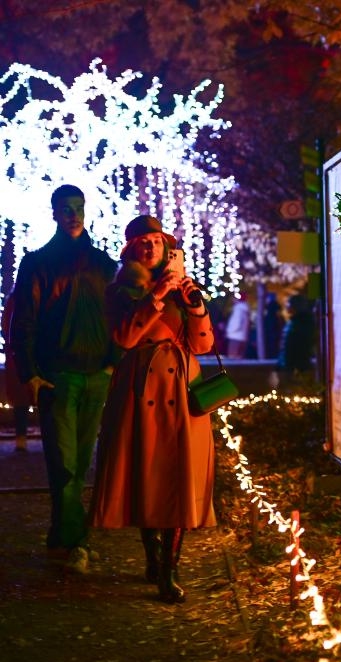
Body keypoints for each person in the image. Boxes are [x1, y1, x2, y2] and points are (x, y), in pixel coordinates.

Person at [89, 215, 217, 604]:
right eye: (142, 242)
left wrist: (195, 307)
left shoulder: (184, 286)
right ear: (131, 249)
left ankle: (169, 569)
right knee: (147, 472)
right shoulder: (120, 290)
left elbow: (203, 345)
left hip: (181, 387)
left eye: (156, 241)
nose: (150, 247)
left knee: (178, 476)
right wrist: (156, 296)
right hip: (139, 388)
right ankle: (152, 555)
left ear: (167, 247)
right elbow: (125, 336)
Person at [9, 184, 119, 573]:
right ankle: (78, 542)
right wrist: (33, 374)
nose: (73, 214)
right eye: (66, 208)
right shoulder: (39, 263)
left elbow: (119, 317)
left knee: (78, 461)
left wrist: (111, 364)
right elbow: (22, 320)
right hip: (59, 375)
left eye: (78, 207)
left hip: (94, 374)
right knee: (66, 463)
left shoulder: (104, 264)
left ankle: (62, 537)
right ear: (54, 212)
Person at [2, 292, 34, 451]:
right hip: (34, 355)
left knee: (20, 399)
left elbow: (5, 325)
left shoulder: (13, 299)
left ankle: (21, 437)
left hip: (15, 355)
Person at [277, 294, 317, 385]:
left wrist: (288, 365)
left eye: (289, 304)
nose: (287, 306)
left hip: (296, 366)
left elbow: (293, 346)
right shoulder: (296, 322)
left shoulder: (299, 323)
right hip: (293, 365)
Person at [224, 292, 250, 359]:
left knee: (232, 357)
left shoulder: (238, 309)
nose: (232, 299)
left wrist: (229, 331)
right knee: (239, 357)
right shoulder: (244, 309)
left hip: (235, 336)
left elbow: (236, 323)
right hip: (242, 336)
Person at [262, 292, 283, 360]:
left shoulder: (270, 309)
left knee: (271, 345)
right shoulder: (276, 309)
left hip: (271, 330)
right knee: (274, 345)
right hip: (274, 330)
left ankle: (271, 357)